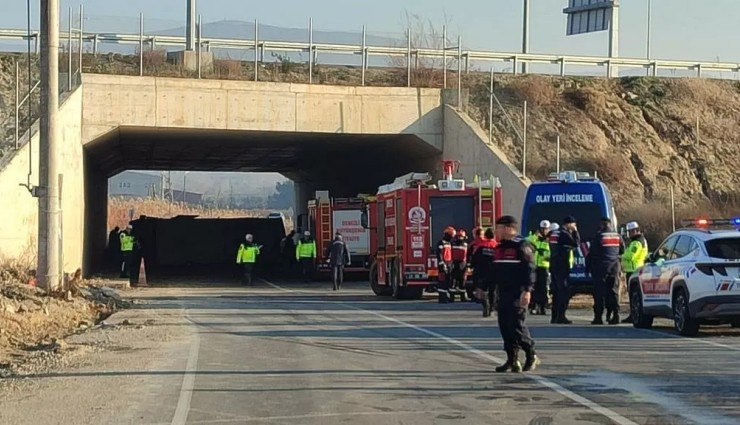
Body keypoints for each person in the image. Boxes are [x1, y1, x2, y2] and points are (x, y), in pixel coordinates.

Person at [491, 215, 539, 373]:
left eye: (497, 227)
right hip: (503, 292)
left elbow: (530, 269)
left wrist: (527, 290)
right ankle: (512, 359)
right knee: (505, 327)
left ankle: (531, 355)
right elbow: (495, 271)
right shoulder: (499, 248)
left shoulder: (522, 245)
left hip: (517, 292)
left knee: (516, 326)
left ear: (507, 228)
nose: (495, 231)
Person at [586, 218, 625, 325]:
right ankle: (615, 315)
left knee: (599, 293)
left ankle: (598, 317)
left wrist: (588, 267)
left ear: (603, 224)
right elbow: (622, 250)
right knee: (613, 292)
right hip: (615, 267)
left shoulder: (600, 236)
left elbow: (592, 252)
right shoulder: (617, 236)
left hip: (601, 267)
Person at [549, 216, 580, 324]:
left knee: (556, 292)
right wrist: (575, 232)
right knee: (564, 291)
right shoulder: (564, 233)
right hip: (561, 265)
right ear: (568, 224)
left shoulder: (554, 233)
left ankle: (554, 316)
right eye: (573, 224)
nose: (574, 226)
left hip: (553, 264)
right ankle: (561, 316)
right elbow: (576, 243)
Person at [621, 221, 649, 324]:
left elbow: (631, 256)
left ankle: (634, 315)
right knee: (632, 295)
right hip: (634, 270)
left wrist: (621, 256)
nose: (629, 234)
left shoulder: (637, 242)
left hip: (634, 270)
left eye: (630, 232)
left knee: (634, 295)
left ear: (635, 230)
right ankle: (633, 314)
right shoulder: (637, 241)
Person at [470, 227, 498, 317]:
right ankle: (492, 308)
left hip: (481, 271)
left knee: (481, 290)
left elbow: (474, 258)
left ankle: (485, 304)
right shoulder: (496, 246)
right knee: (493, 291)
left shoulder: (481, 246)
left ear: (485, 235)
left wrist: (471, 266)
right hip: (493, 272)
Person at [527, 220, 551, 316]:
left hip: (544, 266)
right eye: (543, 229)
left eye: (546, 229)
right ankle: (534, 306)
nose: (544, 231)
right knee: (534, 287)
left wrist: (546, 256)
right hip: (534, 266)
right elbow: (527, 241)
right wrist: (535, 236)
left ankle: (542, 307)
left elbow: (551, 252)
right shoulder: (534, 238)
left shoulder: (550, 240)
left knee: (544, 288)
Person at [436, 226, 456, 304]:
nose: (452, 238)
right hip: (443, 264)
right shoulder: (441, 242)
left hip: (449, 263)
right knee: (442, 281)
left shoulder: (449, 243)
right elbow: (439, 253)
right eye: (451, 236)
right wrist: (442, 263)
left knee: (448, 281)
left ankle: (446, 296)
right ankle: (442, 298)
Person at [450, 229, 469, 302]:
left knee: (453, 280)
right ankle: (462, 298)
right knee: (462, 281)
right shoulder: (465, 244)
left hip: (454, 263)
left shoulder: (452, 244)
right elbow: (468, 255)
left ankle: (452, 298)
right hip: (462, 264)